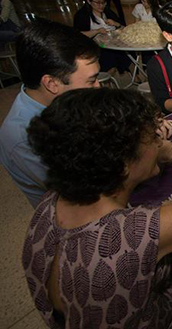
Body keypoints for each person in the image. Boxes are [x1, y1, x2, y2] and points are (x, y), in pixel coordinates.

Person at [23, 87, 172, 329]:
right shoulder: (144, 228)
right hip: (157, 320)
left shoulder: (48, 202)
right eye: (152, 139)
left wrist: (153, 162)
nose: (159, 143)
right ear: (124, 163)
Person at [0, 19, 101, 208]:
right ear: (52, 84)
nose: (98, 86)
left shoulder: (67, 100)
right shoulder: (21, 137)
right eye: (91, 80)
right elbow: (82, 193)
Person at [74, 0, 132, 75]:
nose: (101, 5)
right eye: (97, 2)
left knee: (127, 50)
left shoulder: (108, 12)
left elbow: (125, 29)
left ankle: (134, 73)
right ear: (89, 1)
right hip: (97, 46)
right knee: (109, 55)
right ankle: (109, 75)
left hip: (115, 43)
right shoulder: (82, 15)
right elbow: (78, 35)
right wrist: (97, 31)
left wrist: (116, 24)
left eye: (103, 2)